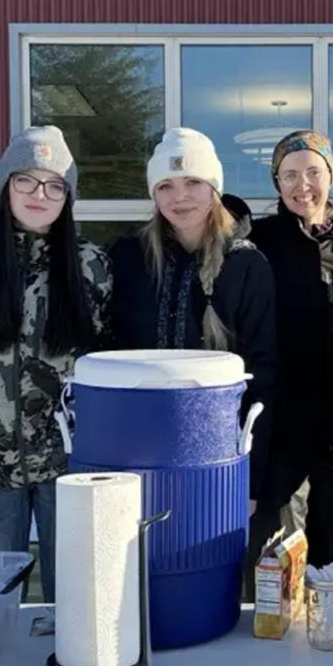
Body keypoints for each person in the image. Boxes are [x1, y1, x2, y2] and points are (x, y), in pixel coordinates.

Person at [0, 126, 111, 603]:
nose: (40, 195)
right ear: (5, 185)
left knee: (74, 603)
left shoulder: (91, 266)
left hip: (70, 466)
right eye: (26, 180)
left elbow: (107, 362)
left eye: (55, 185)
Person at [107, 127, 276, 525]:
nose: (179, 197)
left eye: (193, 182)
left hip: (216, 451)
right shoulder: (128, 258)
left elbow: (264, 371)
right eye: (166, 186)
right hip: (139, 449)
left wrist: (252, 477)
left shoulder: (246, 264)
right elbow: (108, 351)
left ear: (214, 188)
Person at [248, 130, 333, 573]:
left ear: (331, 177)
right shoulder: (256, 246)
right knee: (279, 564)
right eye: (290, 175)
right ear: (276, 182)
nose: (303, 185)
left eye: (314, 172)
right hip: (279, 432)